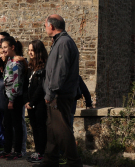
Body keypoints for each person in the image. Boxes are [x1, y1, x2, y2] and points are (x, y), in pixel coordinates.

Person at [37, 14, 83, 167]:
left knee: (62, 130)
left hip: (59, 95)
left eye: (45, 25)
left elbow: (60, 71)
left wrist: (51, 92)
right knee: (52, 129)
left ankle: (74, 162)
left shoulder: (63, 43)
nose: (45, 28)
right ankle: (50, 161)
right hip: (57, 94)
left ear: (51, 26)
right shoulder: (60, 42)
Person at [0, 36, 27, 160]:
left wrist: (11, 99)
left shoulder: (16, 63)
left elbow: (16, 82)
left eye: (5, 47)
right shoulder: (9, 61)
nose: (3, 50)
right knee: (8, 124)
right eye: (2, 47)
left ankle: (17, 151)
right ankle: (7, 149)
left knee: (16, 125)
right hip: (8, 96)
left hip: (14, 98)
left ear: (12, 47)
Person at [25, 40, 48, 163]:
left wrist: (32, 102)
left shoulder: (44, 66)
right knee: (34, 128)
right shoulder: (31, 66)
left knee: (41, 128)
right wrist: (27, 101)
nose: (30, 53)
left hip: (39, 103)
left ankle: (41, 152)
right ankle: (38, 151)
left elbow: (41, 87)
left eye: (32, 50)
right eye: (29, 50)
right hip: (30, 103)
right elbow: (27, 85)